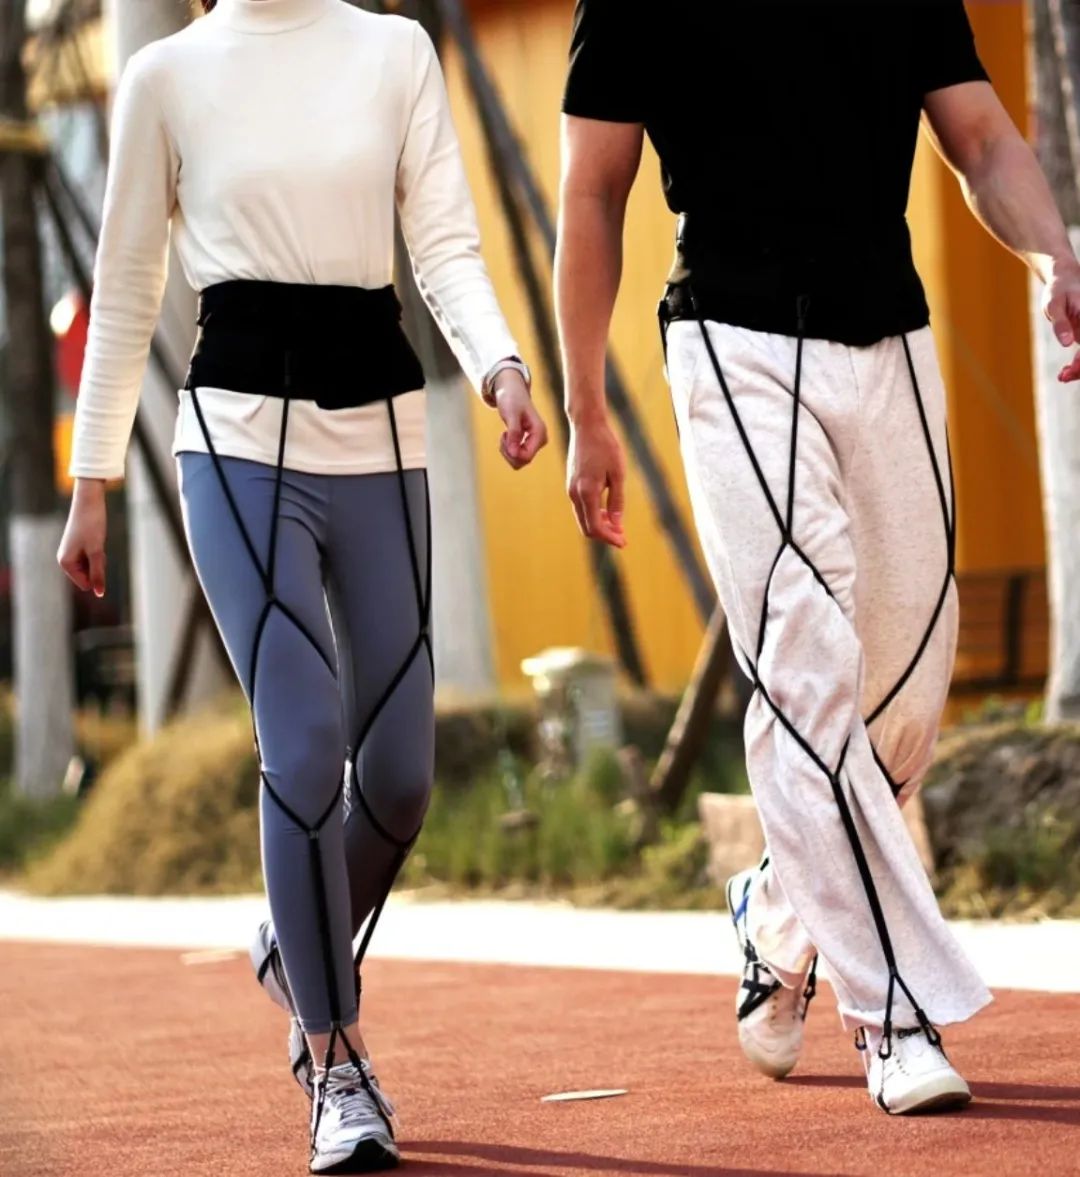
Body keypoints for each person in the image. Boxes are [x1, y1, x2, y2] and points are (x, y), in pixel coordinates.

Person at [556, 0, 1080, 1116]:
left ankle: (779, 908)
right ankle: (893, 1012)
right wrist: (586, 406)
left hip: (890, 333)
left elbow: (980, 138)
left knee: (908, 694)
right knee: (804, 676)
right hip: (732, 338)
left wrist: (1054, 256)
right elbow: (592, 190)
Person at [57, 0, 546, 1170]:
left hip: (381, 434)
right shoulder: (166, 76)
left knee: (401, 774)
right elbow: (126, 286)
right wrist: (91, 478)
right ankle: (336, 1060)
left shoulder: (395, 51)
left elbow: (444, 242)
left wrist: (500, 364)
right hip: (234, 443)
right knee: (307, 738)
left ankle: (293, 941)